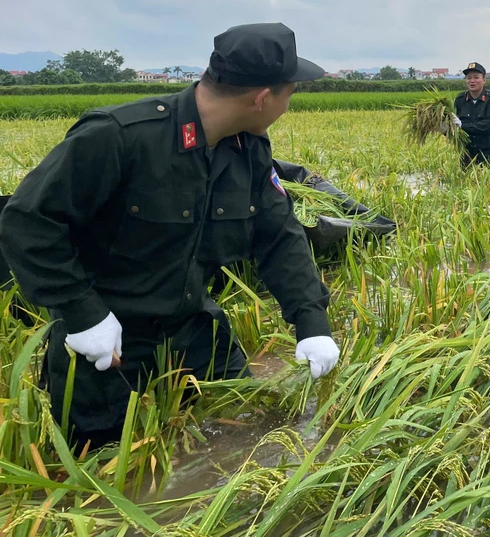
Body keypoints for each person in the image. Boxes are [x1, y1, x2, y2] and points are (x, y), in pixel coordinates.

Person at [0, 23, 341, 450]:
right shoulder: (119, 137)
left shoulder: (249, 151)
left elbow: (279, 237)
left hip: (195, 333)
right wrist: (82, 312)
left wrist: (311, 322)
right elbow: (28, 220)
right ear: (261, 98)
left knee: (247, 440)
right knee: (105, 473)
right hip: (110, 344)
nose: (289, 103)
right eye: (290, 92)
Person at [453, 62, 490, 168]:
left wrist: (462, 125)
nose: (472, 81)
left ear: (484, 80)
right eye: (469, 78)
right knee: (465, 182)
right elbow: (455, 128)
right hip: (468, 152)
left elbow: (487, 125)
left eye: (476, 77)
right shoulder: (460, 100)